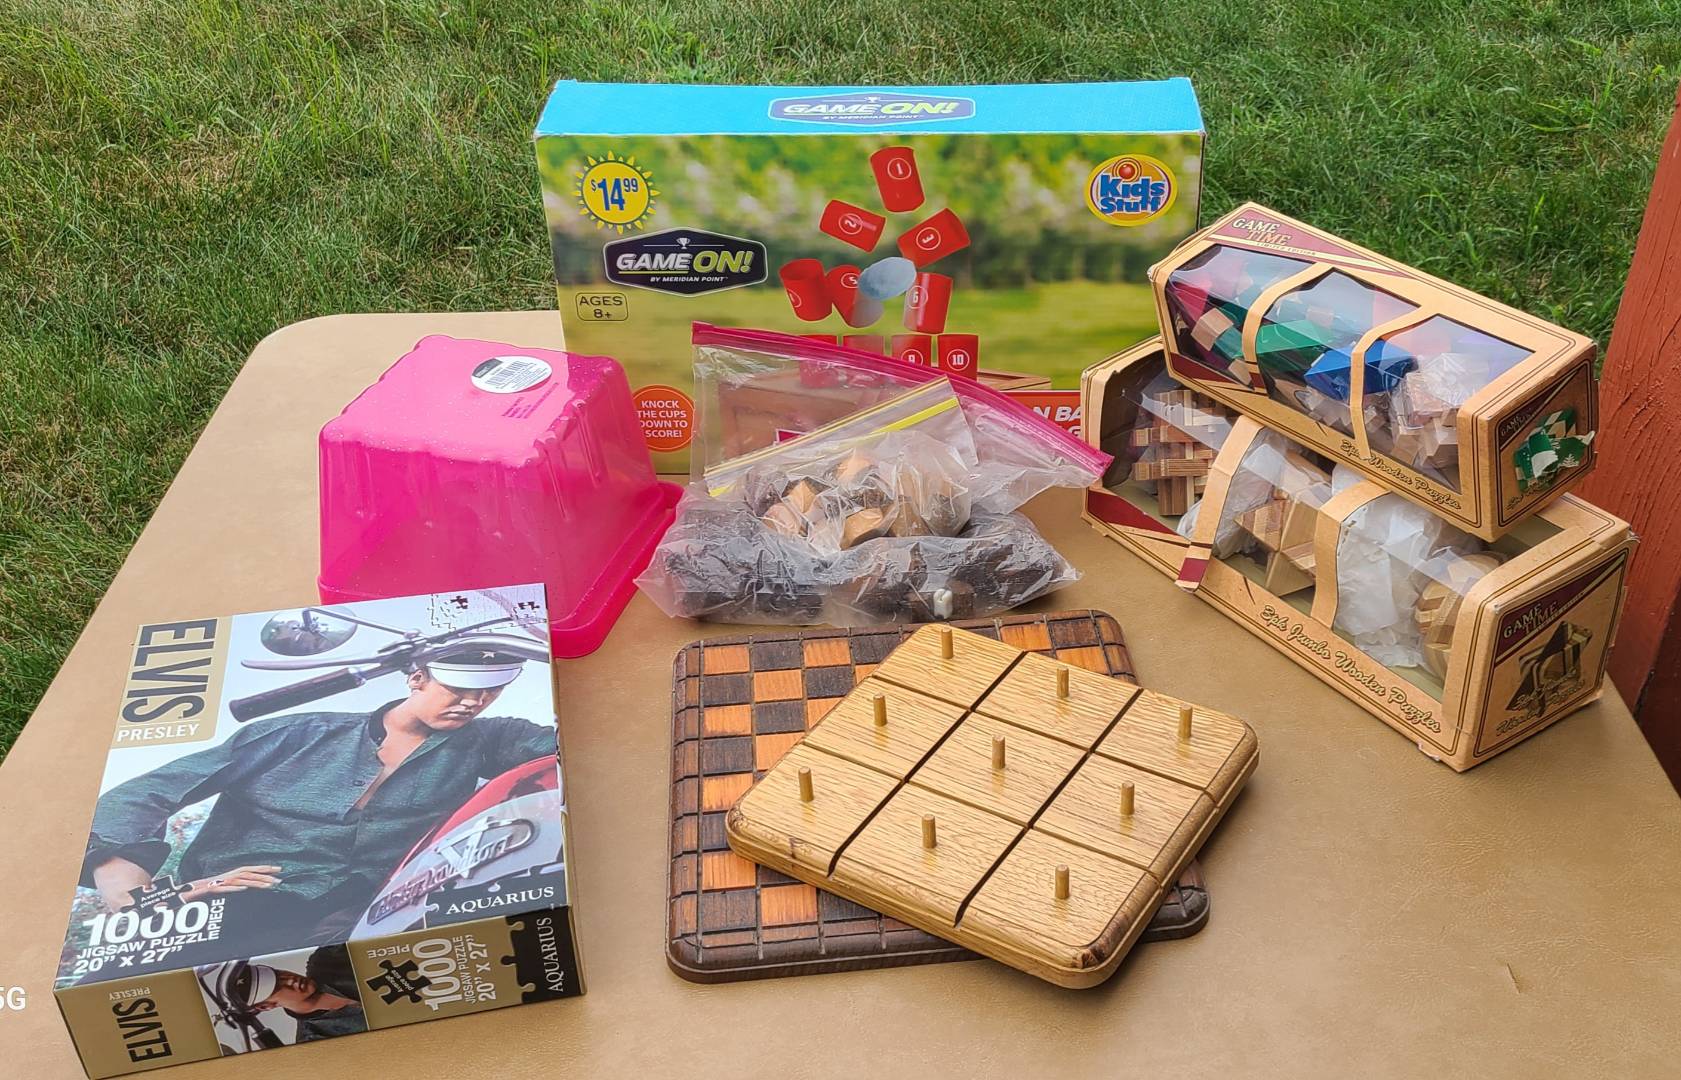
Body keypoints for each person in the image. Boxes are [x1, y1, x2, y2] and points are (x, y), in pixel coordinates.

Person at [81, 646, 556, 957]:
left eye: (489, 691)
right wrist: (134, 894)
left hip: (365, 914)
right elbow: (143, 795)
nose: (473, 702)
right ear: (417, 678)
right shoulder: (296, 735)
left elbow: (568, 745)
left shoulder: (488, 739)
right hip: (240, 901)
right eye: (458, 689)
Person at [199, 947, 365, 1049]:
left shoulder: (327, 959)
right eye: (276, 986)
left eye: (277, 974)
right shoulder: (315, 1041)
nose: (289, 980)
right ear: (266, 1006)